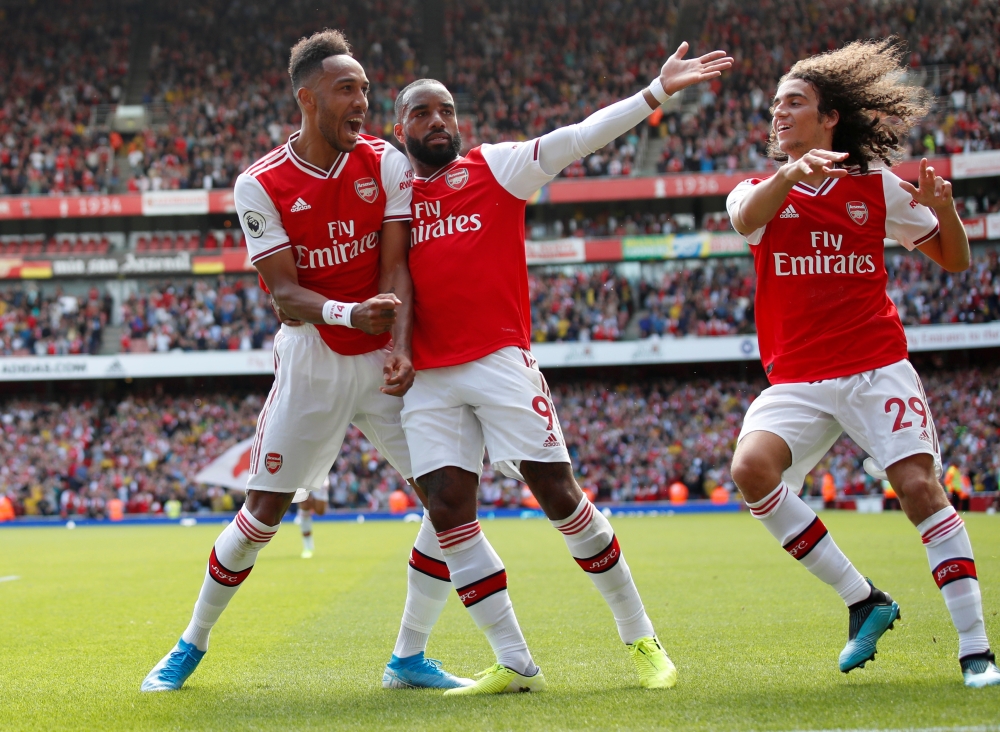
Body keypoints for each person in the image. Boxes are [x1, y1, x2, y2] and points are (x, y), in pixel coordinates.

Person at [391, 41, 733, 695]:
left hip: (499, 360)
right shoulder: (393, 196)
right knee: (449, 512)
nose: (438, 121)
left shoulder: (495, 167)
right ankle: (514, 662)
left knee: (558, 495)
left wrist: (655, 93)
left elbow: (578, 138)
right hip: (428, 378)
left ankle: (642, 640)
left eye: (447, 110)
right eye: (422, 113)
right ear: (399, 127)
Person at [141, 30, 471, 692]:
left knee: (451, 498)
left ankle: (409, 656)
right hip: (314, 358)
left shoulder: (384, 163)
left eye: (366, 90)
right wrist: (350, 313)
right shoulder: (259, 183)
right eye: (347, 89)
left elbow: (396, 267)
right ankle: (190, 643)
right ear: (308, 98)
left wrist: (399, 345)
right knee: (262, 514)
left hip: (381, 357)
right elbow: (285, 295)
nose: (362, 102)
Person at [725, 38, 999, 688]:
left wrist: (946, 212)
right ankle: (863, 599)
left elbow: (955, 260)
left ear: (830, 118)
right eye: (775, 104)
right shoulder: (758, 191)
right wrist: (790, 175)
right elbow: (745, 220)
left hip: (875, 366)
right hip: (798, 379)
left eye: (795, 102)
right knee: (750, 469)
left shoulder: (875, 188)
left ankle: (976, 652)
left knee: (919, 489)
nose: (779, 112)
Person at [295, 479, 329, 559]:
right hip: (304, 476)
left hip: (320, 476)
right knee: (304, 504)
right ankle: (308, 547)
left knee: (320, 511)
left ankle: (311, 502)